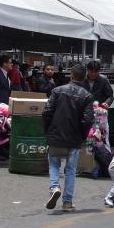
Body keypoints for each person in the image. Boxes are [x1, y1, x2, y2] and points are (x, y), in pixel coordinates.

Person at [43, 64, 94, 212]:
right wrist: (82, 136)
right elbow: (88, 119)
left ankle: (54, 187)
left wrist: (48, 131)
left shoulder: (57, 91)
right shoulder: (86, 96)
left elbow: (47, 112)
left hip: (56, 135)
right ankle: (67, 202)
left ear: (71, 75)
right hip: (74, 138)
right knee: (70, 170)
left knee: (53, 164)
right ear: (84, 77)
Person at [84, 61, 114, 150]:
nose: (93, 74)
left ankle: (105, 158)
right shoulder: (82, 79)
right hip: (85, 114)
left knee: (103, 138)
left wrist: (107, 103)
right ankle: (88, 159)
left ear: (99, 71)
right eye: (91, 71)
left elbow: (110, 96)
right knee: (87, 138)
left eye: (96, 72)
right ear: (87, 70)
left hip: (100, 114)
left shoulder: (103, 79)